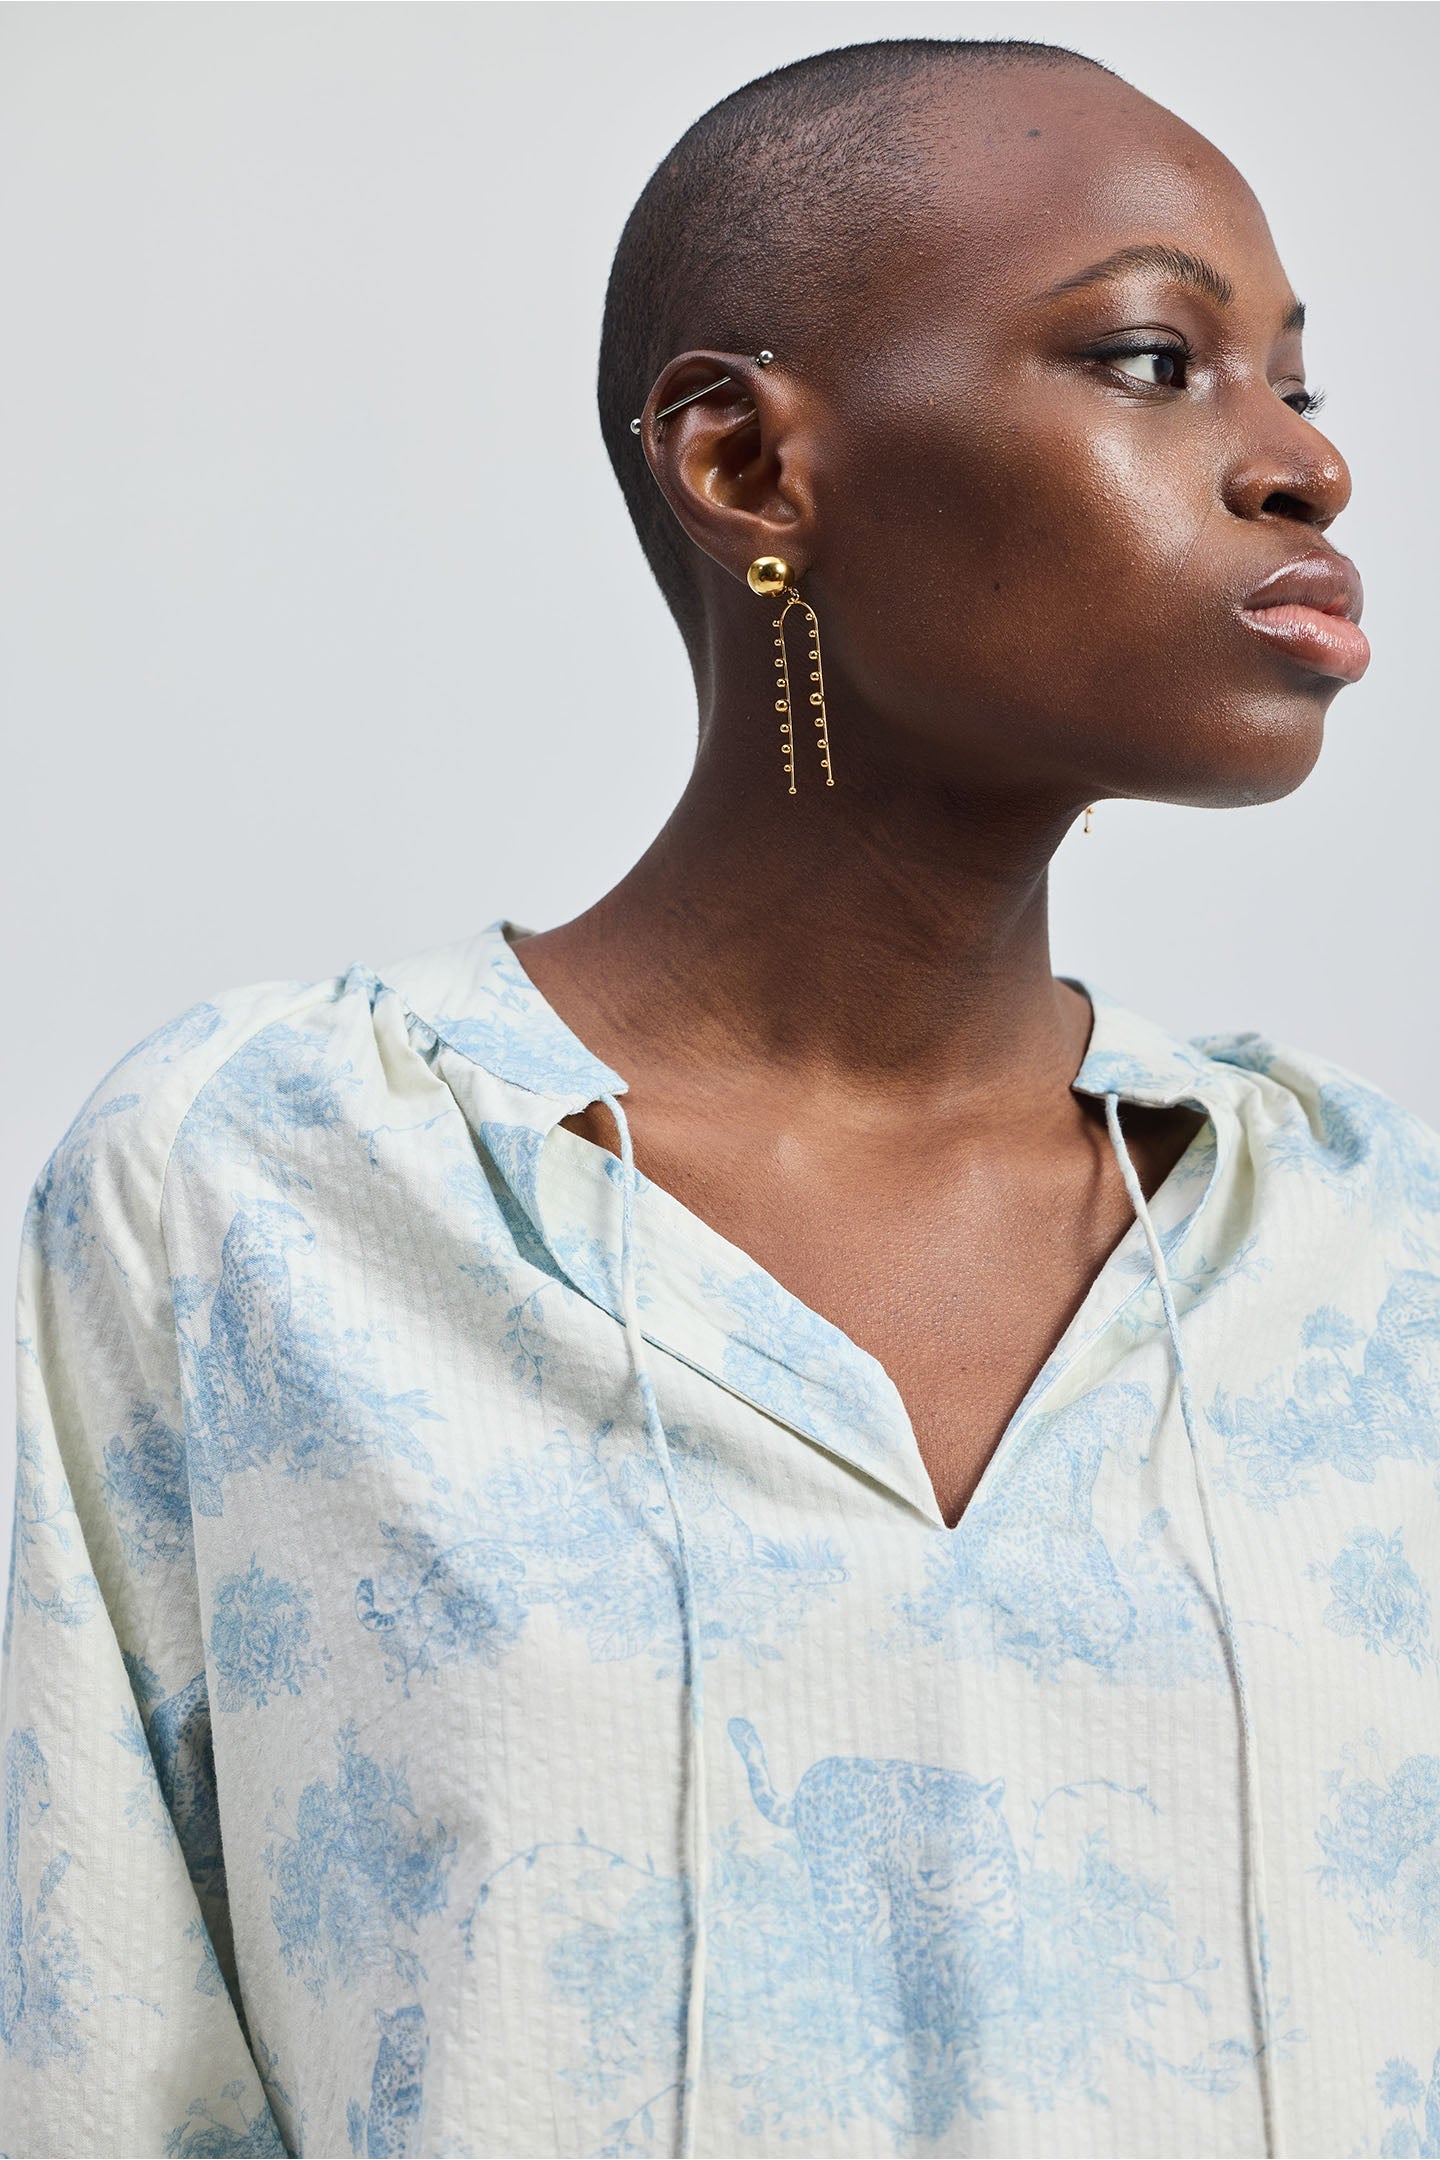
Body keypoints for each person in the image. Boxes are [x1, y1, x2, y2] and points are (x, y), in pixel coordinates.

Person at [3, 33, 1433, 2160]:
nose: (1302, 465)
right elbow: (89, 2063)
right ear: (750, 465)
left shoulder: (1366, 1251)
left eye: (1297, 382)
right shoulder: (264, 1191)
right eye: (1154, 361)